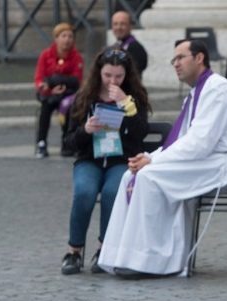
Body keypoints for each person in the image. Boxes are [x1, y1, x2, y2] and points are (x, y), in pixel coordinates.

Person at [97, 39, 227, 279]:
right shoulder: (197, 92)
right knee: (132, 173)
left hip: (222, 164)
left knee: (148, 176)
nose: (175, 64)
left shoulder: (217, 90)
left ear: (199, 58)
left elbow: (200, 143)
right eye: (173, 60)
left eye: (180, 58)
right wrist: (148, 156)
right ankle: (118, 255)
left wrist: (154, 162)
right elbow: (181, 140)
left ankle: (151, 261)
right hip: (204, 159)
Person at [60, 48, 151, 275]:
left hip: (120, 160)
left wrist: (126, 106)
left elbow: (141, 132)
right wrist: (86, 131)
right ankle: (74, 251)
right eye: (108, 75)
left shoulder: (133, 97)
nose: (113, 81)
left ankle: (105, 250)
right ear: (99, 73)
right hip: (89, 160)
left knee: (113, 192)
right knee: (84, 192)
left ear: (126, 75)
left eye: (118, 76)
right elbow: (69, 142)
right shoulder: (84, 98)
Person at [34, 22, 84, 158]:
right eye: (63, 36)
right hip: (50, 94)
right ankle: (41, 142)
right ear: (56, 38)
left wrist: (57, 81)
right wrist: (48, 87)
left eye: (70, 36)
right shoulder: (45, 55)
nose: (67, 39)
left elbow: (76, 80)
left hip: (68, 94)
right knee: (45, 109)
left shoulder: (76, 57)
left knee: (69, 108)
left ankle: (67, 142)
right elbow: (39, 78)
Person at [111, 11, 148, 77]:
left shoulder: (136, 49)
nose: (118, 27)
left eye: (122, 24)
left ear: (130, 26)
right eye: (115, 24)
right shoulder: (115, 46)